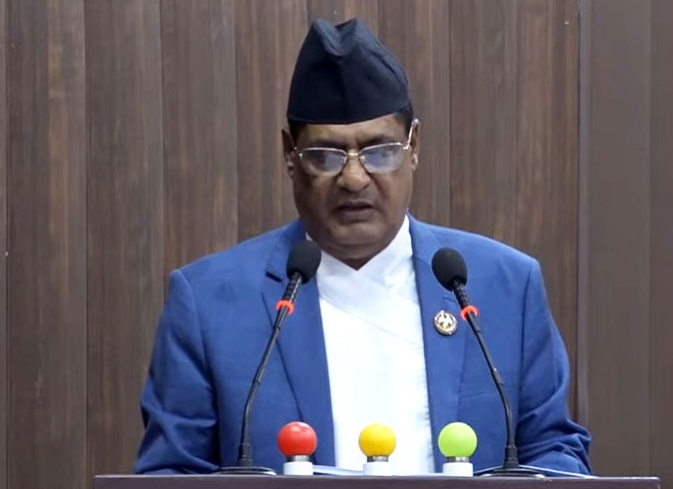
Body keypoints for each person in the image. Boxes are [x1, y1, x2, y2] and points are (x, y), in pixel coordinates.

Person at [134, 18, 591, 476]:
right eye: (325, 156)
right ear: (290, 155)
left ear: (414, 146)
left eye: (380, 151)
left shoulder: (504, 286)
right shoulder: (210, 303)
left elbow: (554, 453)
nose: (354, 178)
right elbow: (171, 475)